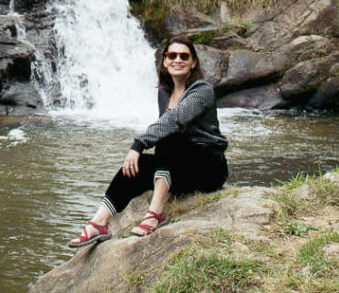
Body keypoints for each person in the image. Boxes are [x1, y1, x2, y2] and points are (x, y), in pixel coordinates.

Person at [68, 35, 228, 247]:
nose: (177, 60)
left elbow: (175, 120)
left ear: (193, 62)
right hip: (180, 168)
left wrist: (138, 144)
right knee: (136, 167)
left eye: (184, 56)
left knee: (169, 135)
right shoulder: (164, 92)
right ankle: (98, 223)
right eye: (172, 55)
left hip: (209, 168)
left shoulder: (202, 90)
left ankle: (155, 214)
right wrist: (138, 152)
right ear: (164, 61)